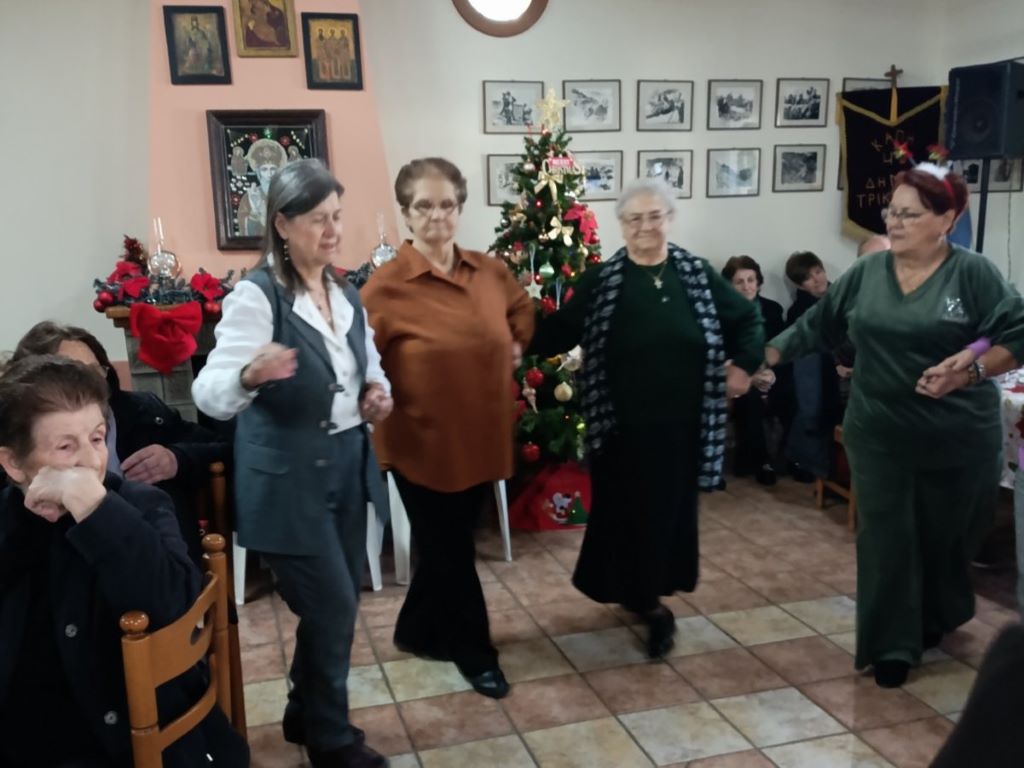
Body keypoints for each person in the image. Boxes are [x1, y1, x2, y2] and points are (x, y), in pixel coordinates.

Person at [765, 164, 1024, 688]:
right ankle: (890, 646)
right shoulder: (867, 274)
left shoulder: (972, 273)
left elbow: (1014, 332)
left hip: (958, 436)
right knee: (886, 541)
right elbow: (817, 326)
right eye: (892, 211)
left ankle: (936, 614)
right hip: (880, 430)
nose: (895, 222)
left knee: (947, 538)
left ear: (946, 220)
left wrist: (969, 371)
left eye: (910, 214)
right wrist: (763, 355)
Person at [193, 158, 392, 768]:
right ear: (281, 224)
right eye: (317, 219)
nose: (333, 231)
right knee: (332, 606)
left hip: (346, 469)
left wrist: (377, 393)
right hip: (286, 484)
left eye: (337, 216)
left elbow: (369, 366)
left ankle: (304, 710)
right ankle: (330, 739)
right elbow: (209, 392)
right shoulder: (257, 297)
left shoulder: (345, 293)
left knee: (339, 602)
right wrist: (249, 375)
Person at [529, 178, 763, 658]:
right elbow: (560, 331)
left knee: (665, 519)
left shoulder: (695, 274)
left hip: (683, 426)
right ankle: (641, 598)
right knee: (626, 518)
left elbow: (747, 320)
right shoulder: (604, 280)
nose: (645, 227)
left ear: (669, 219)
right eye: (634, 219)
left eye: (654, 216)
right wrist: (513, 328)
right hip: (621, 429)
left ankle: (652, 605)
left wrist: (743, 364)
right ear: (621, 225)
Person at [0, 355, 248, 768]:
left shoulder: (142, 505)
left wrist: (93, 508)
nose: (91, 461)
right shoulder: (8, 523)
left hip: (127, 742)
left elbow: (176, 606)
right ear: (12, 463)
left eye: (97, 439)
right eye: (65, 447)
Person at [361, 157, 534, 699]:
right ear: (406, 213)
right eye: (423, 206)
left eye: (447, 204)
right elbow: (357, 357)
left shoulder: (489, 272)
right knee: (453, 552)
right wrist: (370, 392)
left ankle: (416, 630)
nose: (436, 216)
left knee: (447, 546)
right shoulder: (385, 287)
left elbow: (521, 309)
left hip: (481, 438)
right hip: (419, 444)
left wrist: (516, 342)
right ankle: (475, 652)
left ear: (460, 207)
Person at [8, 321, 229, 565]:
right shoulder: (17, 504)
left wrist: (176, 458)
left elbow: (222, 447)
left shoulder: (144, 413)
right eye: (72, 374)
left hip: (161, 552)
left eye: (95, 370)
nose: (92, 460)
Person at [722, 255, 785, 485]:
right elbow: (724, 354)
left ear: (758, 282)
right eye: (739, 281)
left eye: (751, 279)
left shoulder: (772, 310)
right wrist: (752, 375)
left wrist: (771, 373)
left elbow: (782, 346)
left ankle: (795, 460)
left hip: (771, 370)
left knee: (794, 389)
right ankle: (761, 461)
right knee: (750, 397)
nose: (747, 286)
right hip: (739, 374)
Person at [781, 250, 842, 482]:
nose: (817, 279)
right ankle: (806, 458)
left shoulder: (842, 296)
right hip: (815, 370)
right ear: (800, 285)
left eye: (818, 271)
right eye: (808, 277)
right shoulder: (799, 312)